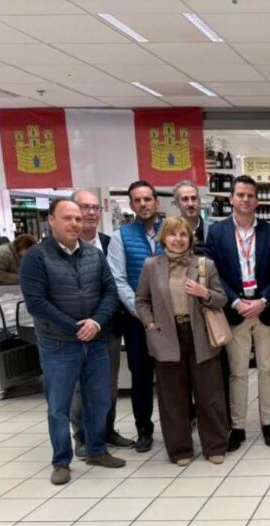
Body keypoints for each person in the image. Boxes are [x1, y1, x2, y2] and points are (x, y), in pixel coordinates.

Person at [19, 198, 125, 486]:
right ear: (51, 220)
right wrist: (75, 327)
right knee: (59, 405)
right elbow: (36, 302)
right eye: (68, 218)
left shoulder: (94, 254)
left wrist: (97, 322)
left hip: (96, 340)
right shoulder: (36, 257)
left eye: (78, 218)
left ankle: (96, 450)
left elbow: (110, 292)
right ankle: (61, 461)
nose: (75, 223)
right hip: (58, 344)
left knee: (99, 399)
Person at [136, 217, 229, 466]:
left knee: (209, 395)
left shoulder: (205, 265)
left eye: (183, 235)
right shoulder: (151, 266)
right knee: (172, 397)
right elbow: (141, 300)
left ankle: (215, 445)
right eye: (172, 234)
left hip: (200, 335)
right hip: (166, 335)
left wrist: (204, 293)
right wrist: (149, 322)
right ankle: (180, 449)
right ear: (163, 238)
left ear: (190, 238)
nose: (178, 239)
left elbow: (221, 299)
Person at [206, 175, 270, 451]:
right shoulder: (217, 232)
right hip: (235, 311)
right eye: (240, 195)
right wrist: (235, 301)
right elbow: (214, 273)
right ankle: (237, 427)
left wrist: (264, 299)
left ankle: (269, 423)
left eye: (250, 195)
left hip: (265, 311)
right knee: (237, 373)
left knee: (267, 370)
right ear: (231, 199)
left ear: (257, 200)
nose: (245, 199)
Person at [69, 190, 134, 456]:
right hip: (76, 329)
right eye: (85, 207)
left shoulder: (110, 243)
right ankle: (82, 437)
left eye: (95, 207)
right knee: (79, 385)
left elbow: (117, 284)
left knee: (109, 383)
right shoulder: (63, 247)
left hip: (108, 326)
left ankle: (106, 430)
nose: (91, 213)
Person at [107, 180, 163, 452]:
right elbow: (118, 280)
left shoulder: (172, 231)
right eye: (137, 200)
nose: (143, 204)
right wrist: (143, 314)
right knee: (141, 376)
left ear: (156, 202)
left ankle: (178, 425)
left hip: (170, 318)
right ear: (131, 205)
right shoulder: (120, 237)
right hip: (136, 320)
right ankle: (144, 429)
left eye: (147, 199)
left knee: (172, 375)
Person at [173, 180, 207, 256]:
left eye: (194, 198)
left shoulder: (212, 231)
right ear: (177, 203)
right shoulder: (170, 232)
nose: (190, 204)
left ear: (199, 201)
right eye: (185, 199)